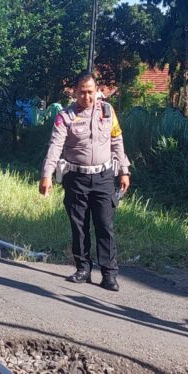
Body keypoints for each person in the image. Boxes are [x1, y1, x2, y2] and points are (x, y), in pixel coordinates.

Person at [39, 71, 131, 291]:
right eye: (82, 92)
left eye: (90, 92)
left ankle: (109, 274)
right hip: (76, 178)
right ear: (74, 91)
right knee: (79, 226)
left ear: (96, 91)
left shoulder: (107, 111)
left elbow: (117, 140)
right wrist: (46, 175)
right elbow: (55, 146)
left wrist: (124, 171)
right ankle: (83, 268)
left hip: (103, 177)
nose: (86, 97)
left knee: (104, 225)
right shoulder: (65, 116)